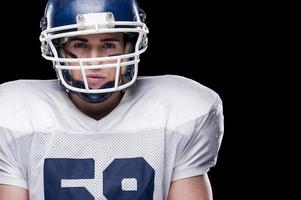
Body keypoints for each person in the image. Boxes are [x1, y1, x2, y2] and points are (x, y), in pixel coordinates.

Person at [0, 0, 224, 199]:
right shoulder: (13, 117)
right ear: (57, 49)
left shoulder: (181, 111)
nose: (94, 61)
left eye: (108, 45)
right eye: (80, 44)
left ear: (130, 45)